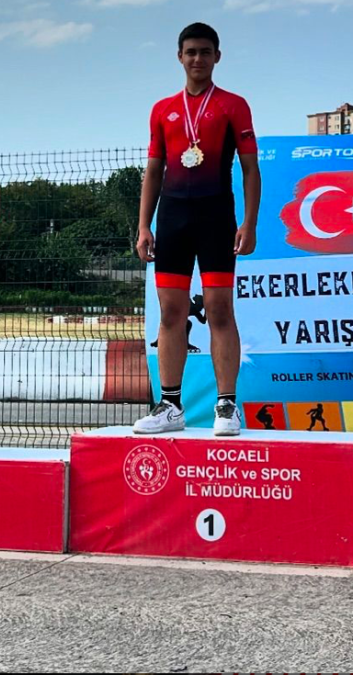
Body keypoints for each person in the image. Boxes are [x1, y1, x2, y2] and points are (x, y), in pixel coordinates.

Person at [134, 23, 261, 436]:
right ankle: (170, 405)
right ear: (179, 57)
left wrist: (249, 222)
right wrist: (144, 225)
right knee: (171, 313)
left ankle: (226, 405)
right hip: (172, 217)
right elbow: (154, 170)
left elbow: (250, 168)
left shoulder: (233, 105)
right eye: (190, 52)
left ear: (217, 57)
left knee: (220, 309)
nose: (198, 59)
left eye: (205, 52)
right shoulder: (162, 109)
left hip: (215, 216)